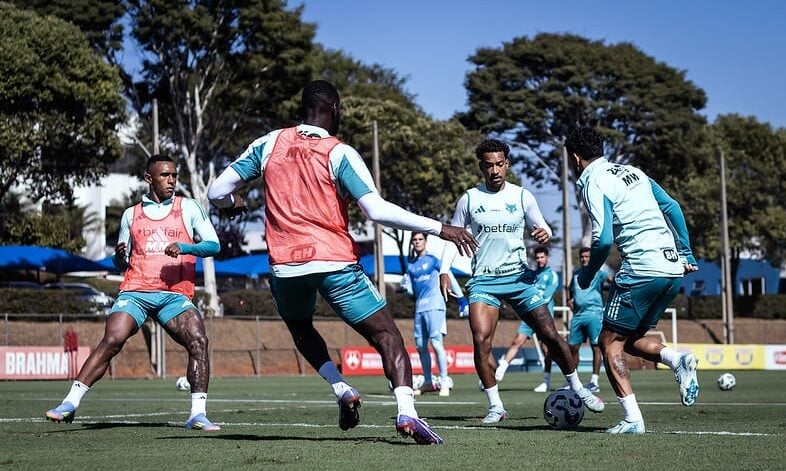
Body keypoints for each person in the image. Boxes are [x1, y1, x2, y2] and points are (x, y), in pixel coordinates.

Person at [207, 80, 477, 444]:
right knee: (386, 335)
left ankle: (340, 388)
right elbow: (376, 210)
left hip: (285, 267)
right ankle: (407, 413)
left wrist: (232, 204)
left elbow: (216, 191)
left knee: (301, 328)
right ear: (333, 109)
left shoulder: (268, 143)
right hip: (333, 262)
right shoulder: (339, 152)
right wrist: (441, 228)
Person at [45, 155, 222, 431]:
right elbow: (121, 262)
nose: (171, 181)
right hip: (136, 291)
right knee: (112, 340)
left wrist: (186, 247)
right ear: (149, 179)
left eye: (174, 175)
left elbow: (213, 245)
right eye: (164, 175)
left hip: (174, 295)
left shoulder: (188, 207)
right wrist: (118, 257)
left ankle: (197, 414)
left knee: (199, 341)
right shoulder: (131, 214)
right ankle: (69, 404)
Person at [440, 138, 605, 425]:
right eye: (489, 165)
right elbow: (453, 235)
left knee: (550, 334)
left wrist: (543, 233)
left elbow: (542, 227)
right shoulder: (469, 199)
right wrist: (444, 270)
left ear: (507, 164)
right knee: (480, 341)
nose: (494, 170)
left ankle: (579, 388)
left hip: (519, 278)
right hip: (484, 280)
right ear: (481, 167)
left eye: (499, 164)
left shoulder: (522, 196)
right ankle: (496, 406)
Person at [567, 126, 700, 434]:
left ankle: (632, 419)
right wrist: (686, 252)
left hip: (641, 270)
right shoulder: (634, 172)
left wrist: (587, 274)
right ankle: (676, 359)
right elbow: (672, 207)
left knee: (608, 342)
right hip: (672, 270)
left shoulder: (593, 181)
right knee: (630, 339)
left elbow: (602, 240)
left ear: (575, 158)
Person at [493, 246, 559, 393]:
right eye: (537, 258)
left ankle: (546, 382)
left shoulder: (552, 275)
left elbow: (547, 297)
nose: (540, 260)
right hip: (529, 314)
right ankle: (501, 369)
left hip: (543, 315)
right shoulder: (532, 275)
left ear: (547, 257)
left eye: (542, 257)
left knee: (546, 349)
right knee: (518, 340)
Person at [402, 232, 459, 397]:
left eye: (420, 239)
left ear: (425, 241)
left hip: (435, 306)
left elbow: (448, 275)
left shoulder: (433, 260)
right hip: (419, 308)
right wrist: (405, 289)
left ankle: (444, 381)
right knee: (420, 346)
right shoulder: (411, 265)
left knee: (436, 342)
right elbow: (412, 292)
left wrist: (461, 299)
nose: (417, 242)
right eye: (414, 240)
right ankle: (428, 382)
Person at [566, 246, 613, 393]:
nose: (584, 259)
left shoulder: (598, 273)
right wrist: (569, 300)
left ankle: (594, 381)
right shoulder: (576, 274)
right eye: (582, 257)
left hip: (594, 313)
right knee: (572, 348)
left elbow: (611, 279)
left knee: (596, 347)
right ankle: (573, 382)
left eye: (587, 256)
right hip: (578, 315)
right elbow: (569, 289)